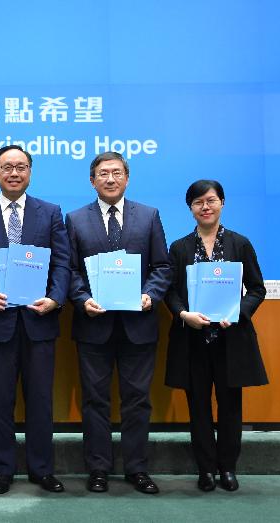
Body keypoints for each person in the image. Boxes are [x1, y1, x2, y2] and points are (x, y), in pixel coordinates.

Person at [0, 144, 71, 495]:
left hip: (40, 321)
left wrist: (56, 297)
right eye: (7, 167)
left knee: (40, 400)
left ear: (30, 172)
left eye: (21, 167)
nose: (14, 173)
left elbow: (62, 263)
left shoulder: (51, 213)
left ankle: (42, 469)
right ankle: (3, 470)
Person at [65, 151, 171, 494]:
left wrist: (150, 296)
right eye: (103, 173)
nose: (110, 179)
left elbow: (162, 267)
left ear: (127, 178)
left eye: (116, 173)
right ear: (92, 180)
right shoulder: (76, 219)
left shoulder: (149, 216)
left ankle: (137, 469)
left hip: (137, 325)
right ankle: (98, 468)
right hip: (94, 325)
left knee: (137, 399)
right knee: (95, 400)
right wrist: (82, 299)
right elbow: (70, 270)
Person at [164, 179, 267, 492]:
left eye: (210, 200)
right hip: (192, 339)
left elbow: (257, 289)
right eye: (198, 203)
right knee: (197, 406)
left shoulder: (240, 243)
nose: (205, 207)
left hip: (230, 339)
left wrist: (237, 312)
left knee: (230, 405)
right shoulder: (179, 247)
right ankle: (205, 470)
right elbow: (169, 290)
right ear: (191, 209)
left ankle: (228, 468)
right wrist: (183, 314)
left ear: (222, 202)